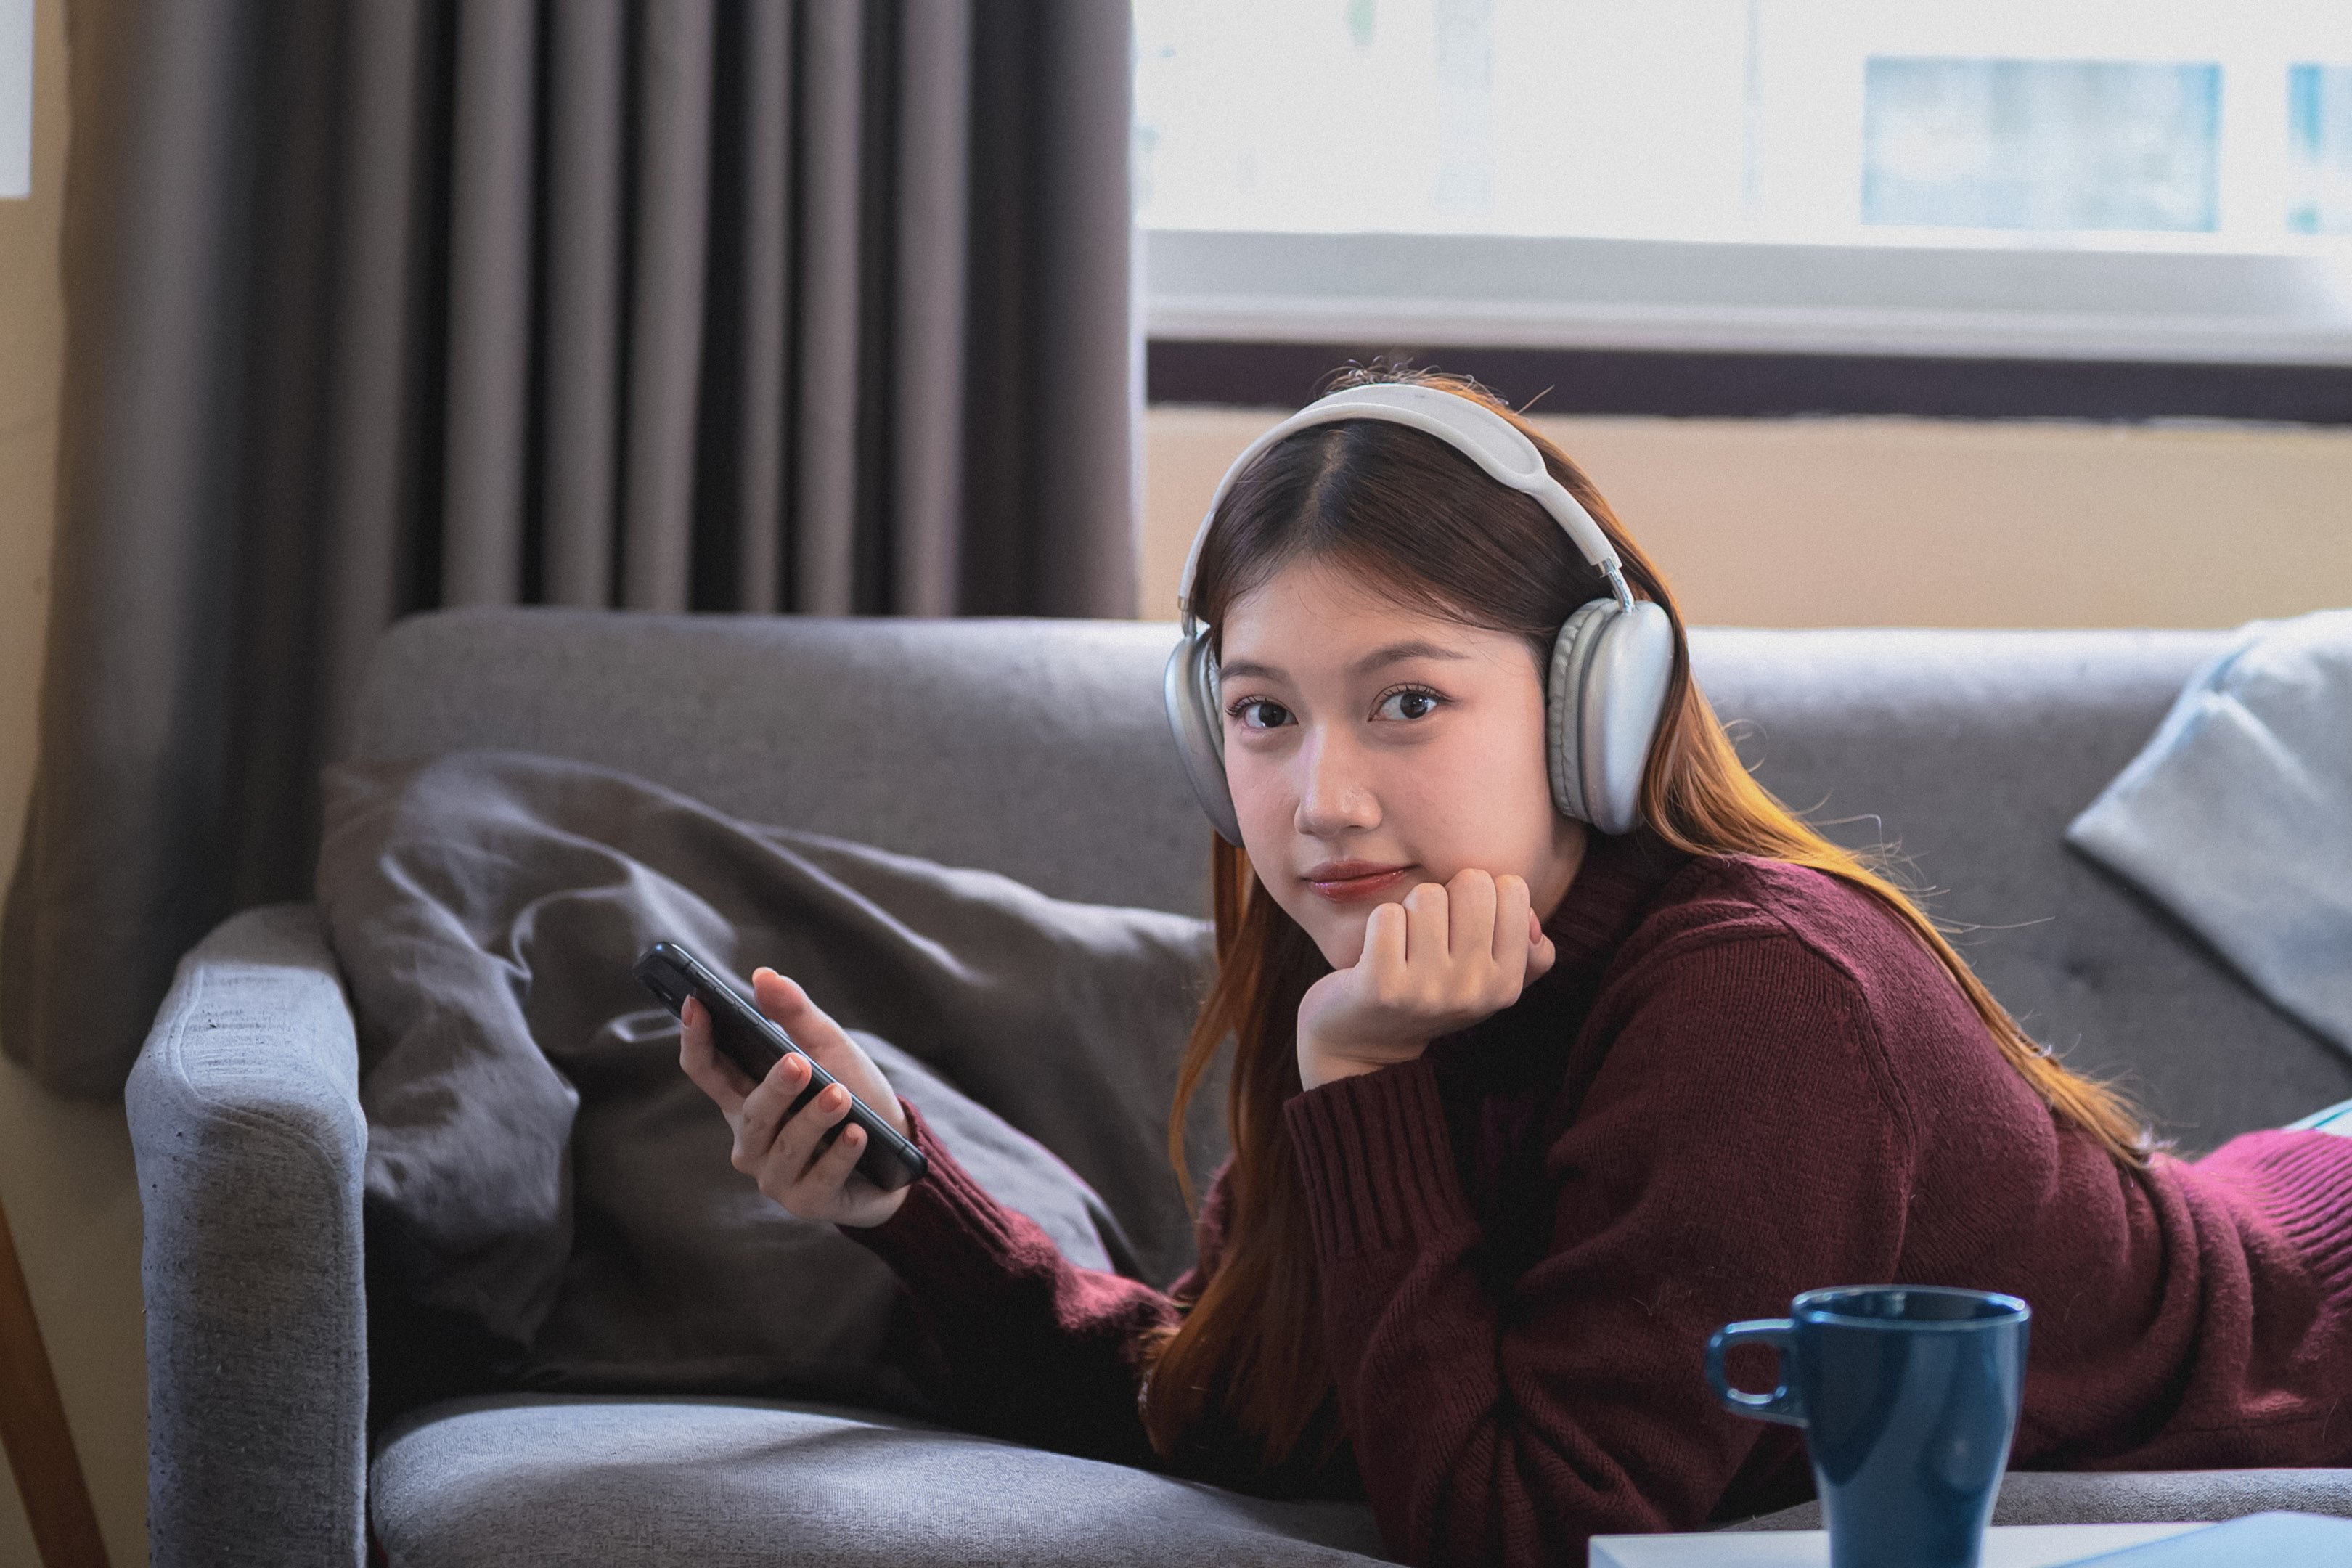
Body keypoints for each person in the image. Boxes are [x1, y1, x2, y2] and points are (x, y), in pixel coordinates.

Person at [680, 368, 2352, 1567]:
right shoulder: (1394, 981)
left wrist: (1361, 1085)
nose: (1322, 798)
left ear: (1589, 706)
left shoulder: (1761, 999)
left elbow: (1526, 1532)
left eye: (1408, 700)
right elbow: (1240, 1403)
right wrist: (907, 1200)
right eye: (1262, 713)